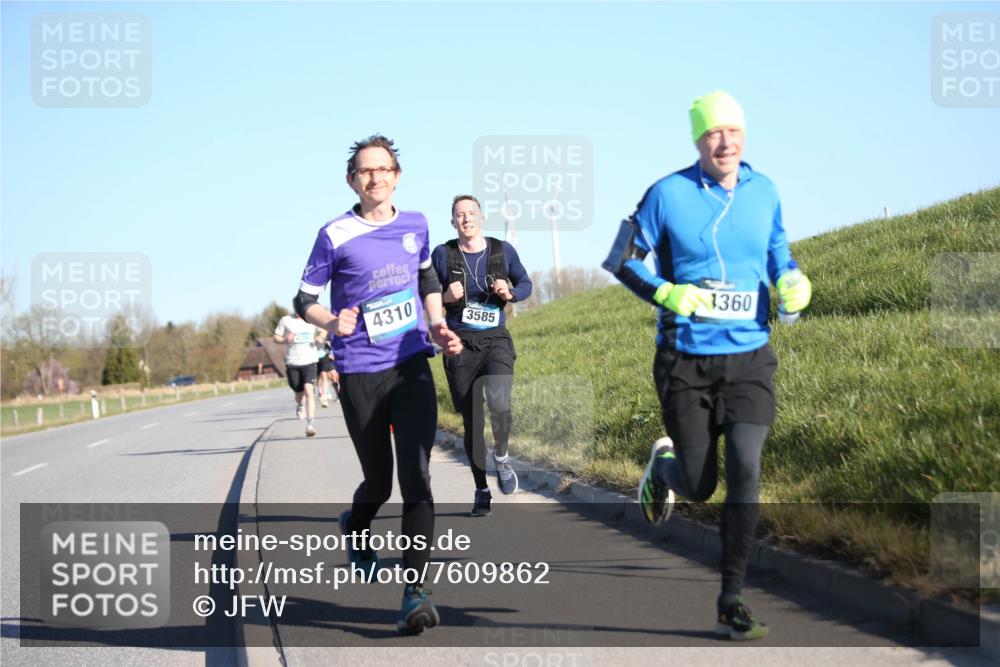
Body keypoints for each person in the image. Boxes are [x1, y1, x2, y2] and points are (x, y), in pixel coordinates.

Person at [604, 91, 812, 640]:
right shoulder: (667, 194)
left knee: (747, 466)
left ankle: (731, 598)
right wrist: (668, 294)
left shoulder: (764, 191)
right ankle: (665, 470)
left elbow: (778, 254)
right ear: (698, 140)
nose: (725, 142)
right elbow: (620, 259)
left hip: (748, 359)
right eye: (713, 133)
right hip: (684, 362)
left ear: (745, 137)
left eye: (734, 132)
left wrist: (791, 280)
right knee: (698, 485)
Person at [293, 134, 463, 633]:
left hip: (410, 363)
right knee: (379, 481)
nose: (375, 178)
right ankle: (357, 524)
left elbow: (427, 280)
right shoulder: (334, 234)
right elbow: (303, 298)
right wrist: (331, 322)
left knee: (417, 477)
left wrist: (436, 323)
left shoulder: (416, 225)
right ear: (353, 180)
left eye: (383, 169)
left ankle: (415, 592)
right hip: (361, 370)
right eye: (365, 172)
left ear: (396, 176)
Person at [432, 195, 532, 516]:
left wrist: (511, 293)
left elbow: (526, 282)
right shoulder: (443, 254)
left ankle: (501, 456)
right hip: (459, 344)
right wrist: (446, 296)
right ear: (453, 223)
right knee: (472, 419)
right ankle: (481, 489)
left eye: (471, 213)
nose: (466, 219)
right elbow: (426, 297)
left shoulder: (502, 250)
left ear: (482, 217)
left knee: (501, 400)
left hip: (495, 340)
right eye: (459, 215)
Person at [273, 311, 321, 437]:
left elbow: (324, 329)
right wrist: (284, 339)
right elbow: (276, 336)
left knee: (309, 391)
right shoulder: (286, 320)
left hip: (310, 361)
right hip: (293, 362)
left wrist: (320, 337)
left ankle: (310, 424)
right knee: (298, 392)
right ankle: (300, 404)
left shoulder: (312, 318)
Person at [314, 330, 338, 406]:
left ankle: (329, 395)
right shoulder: (311, 328)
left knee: (331, 376)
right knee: (319, 378)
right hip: (315, 357)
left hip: (327, 356)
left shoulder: (325, 329)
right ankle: (322, 393)